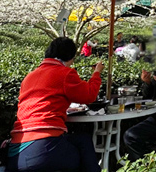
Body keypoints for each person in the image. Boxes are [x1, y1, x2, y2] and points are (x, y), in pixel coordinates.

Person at [7, 37, 104, 172]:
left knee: (79, 141)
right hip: (44, 149)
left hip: (15, 153)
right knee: (84, 147)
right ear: (70, 57)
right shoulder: (64, 73)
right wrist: (96, 73)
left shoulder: (29, 77)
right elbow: (89, 95)